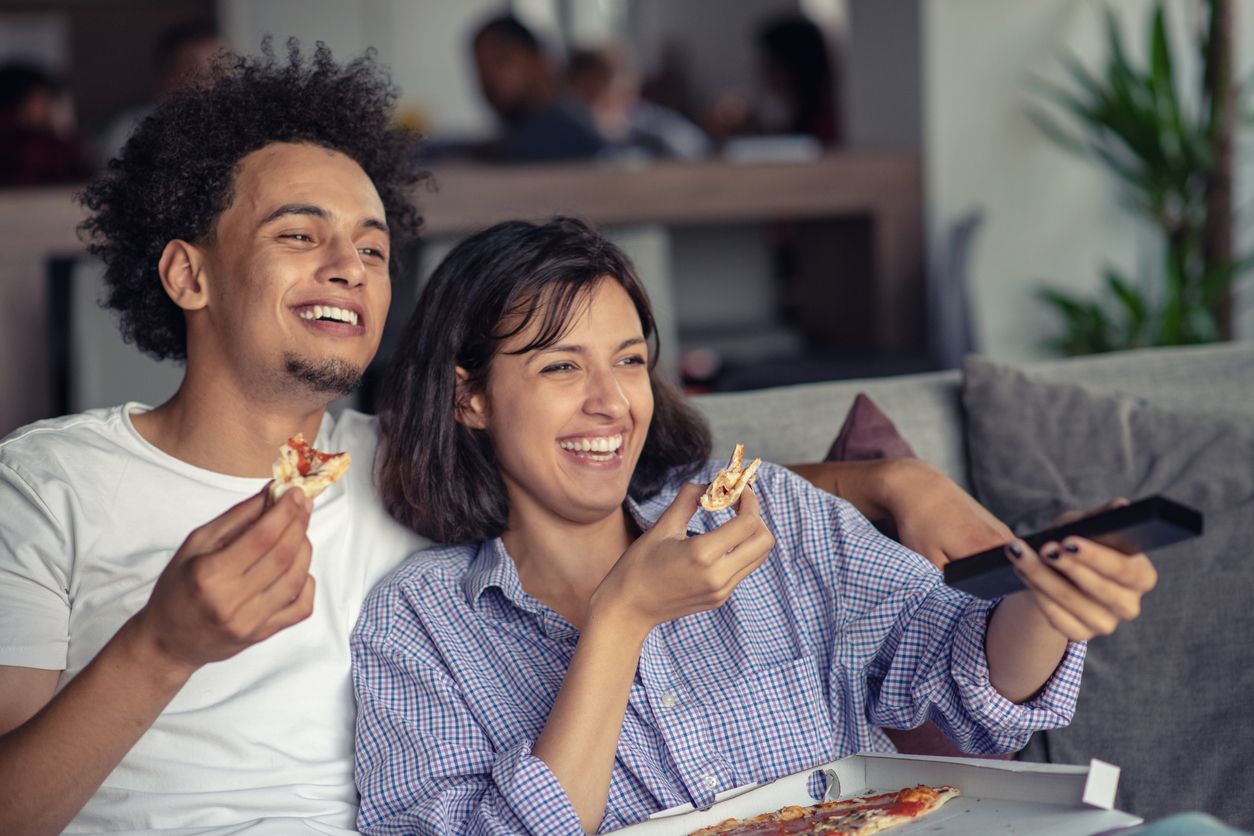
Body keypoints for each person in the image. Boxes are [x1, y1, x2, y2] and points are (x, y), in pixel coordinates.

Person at [0, 39, 1030, 835]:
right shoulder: (49, 483)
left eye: (373, 247)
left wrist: (889, 482)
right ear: (187, 274)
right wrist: (162, 645)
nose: (349, 267)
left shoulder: (400, 464)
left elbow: (640, 487)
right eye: (300, 235)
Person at [351, 218, 1158, 834]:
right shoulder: (419, 624)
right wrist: (622, 619)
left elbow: (959, 670)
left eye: (629, 360)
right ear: (469, 398)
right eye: (561, 365)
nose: (611, 402)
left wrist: (1046, 600)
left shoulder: (761, 510)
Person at [470, 14, 606, 163]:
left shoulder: (565, 136)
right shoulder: (517, 136)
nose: (489, 75)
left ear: (540, 60)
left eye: (501, 60)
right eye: (481, 66)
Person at [98, 20, 226, 164]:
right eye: (201, 74)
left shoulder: (234, 132)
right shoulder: (129, 133)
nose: (214, 84)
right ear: (167, 75)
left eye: (222, 72)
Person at [565, 44, 710, 161]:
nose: (594, 102)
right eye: (587, 92)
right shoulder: (567, 127)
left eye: (599, 90)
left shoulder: (657, 128)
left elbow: (698, 149)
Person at [0, 61, 94, 187]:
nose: (48, 107)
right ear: (21, 102)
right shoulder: (28, 145)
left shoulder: (40, 139)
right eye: (42, 99)